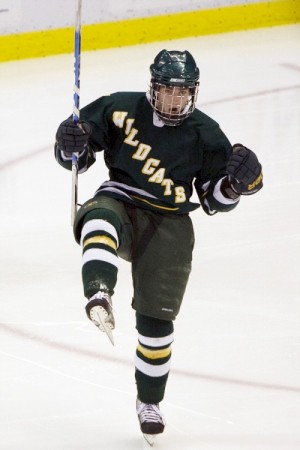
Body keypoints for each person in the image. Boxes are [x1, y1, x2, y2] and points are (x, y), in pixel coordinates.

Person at [54, 49, 263, 441]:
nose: (174, 100)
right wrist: (70, 144)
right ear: (153, 87)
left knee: (157, 323)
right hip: (120, 197)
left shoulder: (206, 133)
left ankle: (149, 401)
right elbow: (78, 155)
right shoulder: (121, 108)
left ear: (193, 94)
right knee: (99, 217)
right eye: (167, 90)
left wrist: (235, 185)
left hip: (170, 221)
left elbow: (212, 198)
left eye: (182, 93)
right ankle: (99, 291)